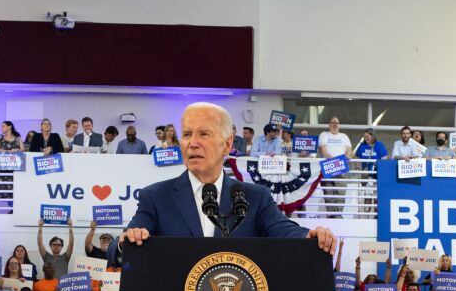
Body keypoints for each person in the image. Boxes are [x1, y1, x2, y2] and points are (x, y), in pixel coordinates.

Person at [116, 102, 337, 259]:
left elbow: (284, 231)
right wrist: (127, 240)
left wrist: (309, 236)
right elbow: (120, 246)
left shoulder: (255, 197)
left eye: (204, 134)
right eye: (186, 134)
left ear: (228, 144)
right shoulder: (155, 197)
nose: (193, 143)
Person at [317, 117, 352, 216]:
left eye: (337, 123)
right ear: (329, 125)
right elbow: (323, 150)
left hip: (341, 167)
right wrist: (334, 161)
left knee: (341, 193)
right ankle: (332, 215)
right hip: (328, 166)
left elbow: (349, 151)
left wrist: (348, 156)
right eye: (333, 123)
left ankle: (338, 215)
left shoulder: (344, 136)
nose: (335, 124)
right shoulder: (324, 135)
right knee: (329, 193)